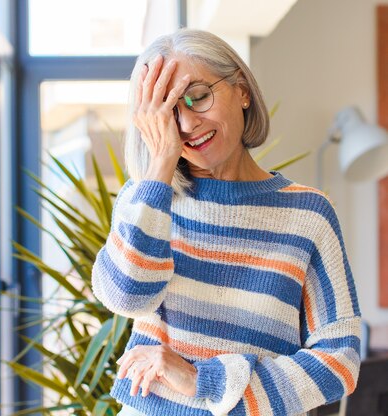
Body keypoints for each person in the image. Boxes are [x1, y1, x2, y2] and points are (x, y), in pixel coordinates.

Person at [91, 28, 361, 416]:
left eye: (197, 97)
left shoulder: (308, 215)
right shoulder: (147, 198)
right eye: (167, 113)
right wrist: (162, 162)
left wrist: (205, 380)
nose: (185, 125)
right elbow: (126, 298)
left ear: (242, 90)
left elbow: (340, 360)